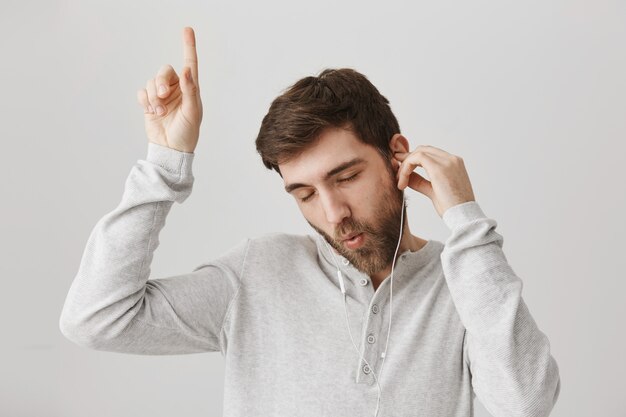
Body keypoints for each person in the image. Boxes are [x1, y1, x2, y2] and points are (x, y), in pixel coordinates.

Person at [59, 26, 561, 417]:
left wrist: (467, 224)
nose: (332, 213)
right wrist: (165, 164)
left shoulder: (465, 283)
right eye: (304, 193)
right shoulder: (258, 274)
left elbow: (525, 403)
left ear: (398, 156)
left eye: (345, 177)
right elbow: (96, 319)